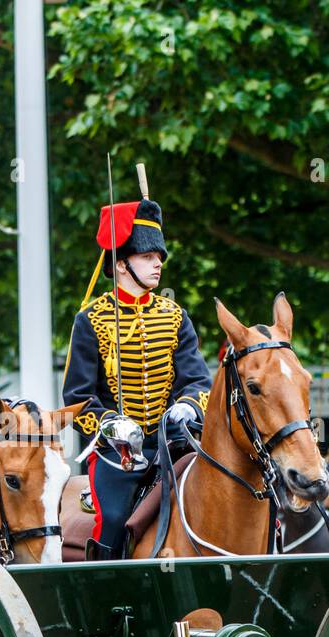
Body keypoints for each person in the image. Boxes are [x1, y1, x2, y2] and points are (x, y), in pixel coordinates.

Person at [62, 195, 210, 559]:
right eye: (147, 257)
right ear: (122, 264)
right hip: (119, 453)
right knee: (111, 518)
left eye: (159, 257)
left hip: (174, 445)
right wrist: (111, 425)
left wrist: (189, 407)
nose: (158, 264)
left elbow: (198, 381)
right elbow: (77, 397)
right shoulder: (91, 320)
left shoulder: (175, 317)